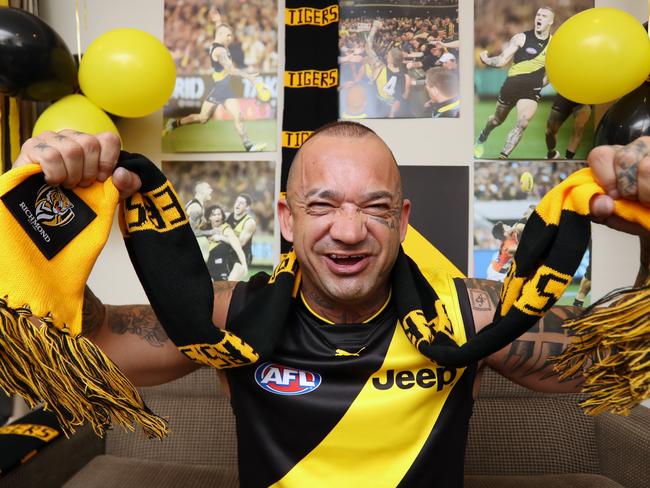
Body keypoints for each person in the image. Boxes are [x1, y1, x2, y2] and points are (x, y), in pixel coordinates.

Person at [11, 123, 650, 485]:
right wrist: (41, 217)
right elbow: (83, 347)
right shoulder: (228, 319)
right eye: (322, 206)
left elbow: (618, 361)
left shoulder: (469, 316)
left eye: (374, 208)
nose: (348, 231)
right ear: (287, 220)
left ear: (402, 221)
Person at [163, 23, 267, 152]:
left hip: (226, 88)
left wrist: (218, 20)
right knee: (203, 118)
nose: (230, 38)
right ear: (221, 35)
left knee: (238, 115)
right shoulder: (220, 51)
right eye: (228, 35)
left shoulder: (218, 45)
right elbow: (230, 70)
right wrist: (249, 77)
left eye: (231, 35)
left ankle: (248, 146)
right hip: (218, 88)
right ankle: (174, 123)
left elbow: (219, 31)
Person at [474, 7, 555, 159]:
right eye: (538, 14)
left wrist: (538, 84)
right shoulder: (521, 38)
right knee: (496, 120)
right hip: (510, 87)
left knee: (522, 123)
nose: (539, 17)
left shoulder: (554, 45)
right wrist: (487, 60)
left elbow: (550, 74)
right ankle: (482, 137)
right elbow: (502, 60)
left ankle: (503, 156)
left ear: (550, 21)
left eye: (544, 16)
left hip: (531, 91)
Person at [203, 205, 248, 282]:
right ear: (209, 218)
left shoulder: (225, 229)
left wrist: (244, 264)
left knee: (224, 290)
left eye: (219, 214)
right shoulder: (205, 229)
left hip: (224, 267)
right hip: (210, 267)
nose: (217, 217)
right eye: (214, 215)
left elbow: (238, 247)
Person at [545, 93, 592, 160]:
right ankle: (552, 153)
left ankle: (568, 158)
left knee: (579, 129)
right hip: (565, 96)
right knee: (549, 131)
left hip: (585, 97)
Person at [226, 193, 257, 267]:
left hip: (242, 256)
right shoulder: (226, 216)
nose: (238, 204)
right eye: (237, 202)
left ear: (247, 207)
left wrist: (221, 238)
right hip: (229, 254)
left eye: (241, 203)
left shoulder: (249, 222)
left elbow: (240, 244)